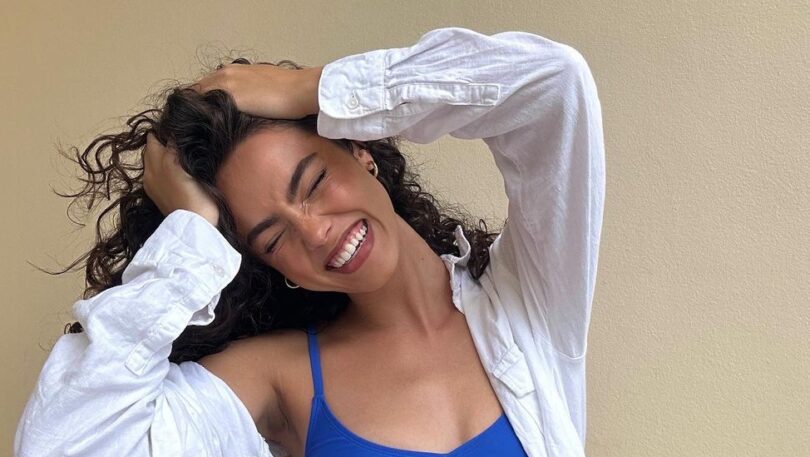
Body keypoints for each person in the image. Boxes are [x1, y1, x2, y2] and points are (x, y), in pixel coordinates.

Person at [14, 26, 605, 457]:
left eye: (314, 183)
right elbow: (63, 445)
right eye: (274, 238)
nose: (316, 231)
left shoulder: (525, 306)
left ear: (361, 151)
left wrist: (317, 90)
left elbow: (554, 86)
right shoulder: (281, 376)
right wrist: (191, 234)